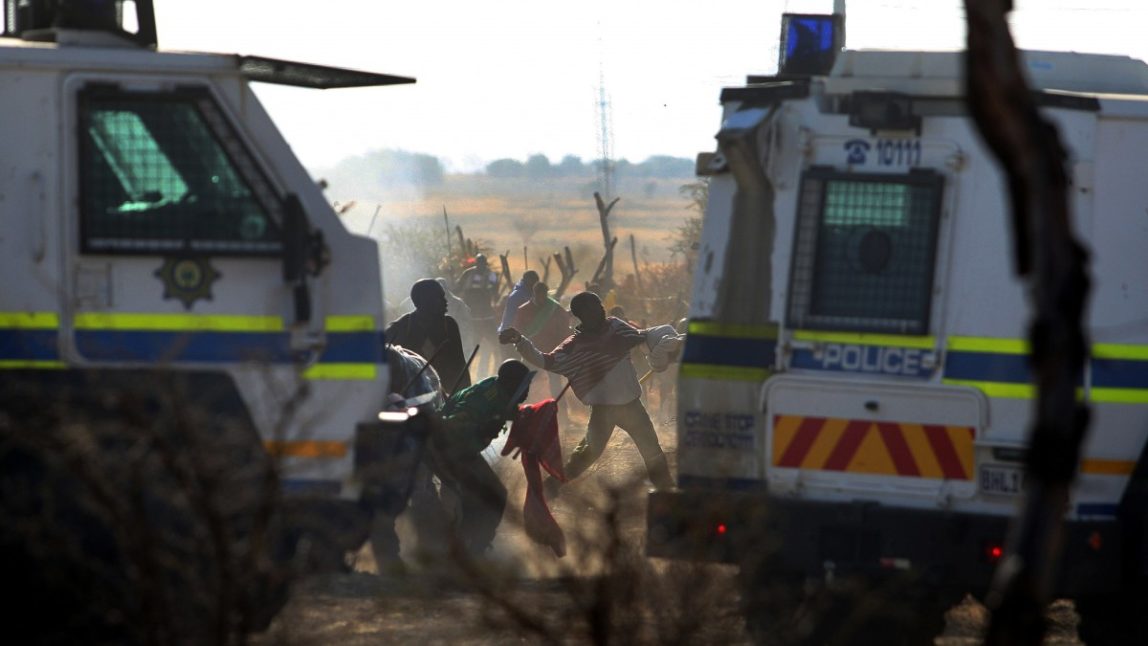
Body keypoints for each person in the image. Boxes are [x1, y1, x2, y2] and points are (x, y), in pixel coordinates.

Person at [500, 291, 673, 495]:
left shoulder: (616, 326)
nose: (600, 310)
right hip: (603, 411)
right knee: (587, 455)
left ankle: (667, 492)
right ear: (582, 315)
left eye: (600, 305)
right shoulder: (573, 347)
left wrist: (670, 341)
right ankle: (550, 489)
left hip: (632, 406)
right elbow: (544, 361)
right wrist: (520, 341)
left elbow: (642, 337)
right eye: (594, 308)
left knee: (652, 451)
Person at [428, 359, 533, 557]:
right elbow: (452, 423)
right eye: (524, 385)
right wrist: (482, 428)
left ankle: (472, 546)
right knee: (485, 498)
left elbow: (510, 411)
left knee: (489, 497)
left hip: (463, 452)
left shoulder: (500, 391)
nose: (527, 391)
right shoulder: (485, 397)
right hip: (449, 450)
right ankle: (465, 551)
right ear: (511, 384)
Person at [385, 278, 470, 393]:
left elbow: (460, 365)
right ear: (424, 301)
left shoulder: (449, 325)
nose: (445, 301)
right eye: (439, 297)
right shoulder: (404, 326)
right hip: (415, 396)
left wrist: (465, 394)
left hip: (446, 395)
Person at [513, 281, 574, 424]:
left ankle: (562, 417)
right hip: (531, 352)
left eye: (544, 295)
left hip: (552, 353)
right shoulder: (523, 310)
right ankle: (518, 414)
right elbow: (518, 331)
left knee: (556, 386)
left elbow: (565, 328)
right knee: (524, 383)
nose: (542, 298)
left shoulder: (554, 308)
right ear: (534, 294)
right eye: (539, 295)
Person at [456, 253, 501, 379]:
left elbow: (495, 293)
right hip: (472, 317)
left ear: (485, 264)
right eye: (479, 263)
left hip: (486, 317)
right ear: (476, 263)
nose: (480, 266)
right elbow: (458, 288)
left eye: (482, 263)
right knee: (470, 349)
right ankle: (465, 375)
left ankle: (497, 372)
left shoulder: (491, 275)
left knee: (496, 346)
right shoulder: (467, 274)